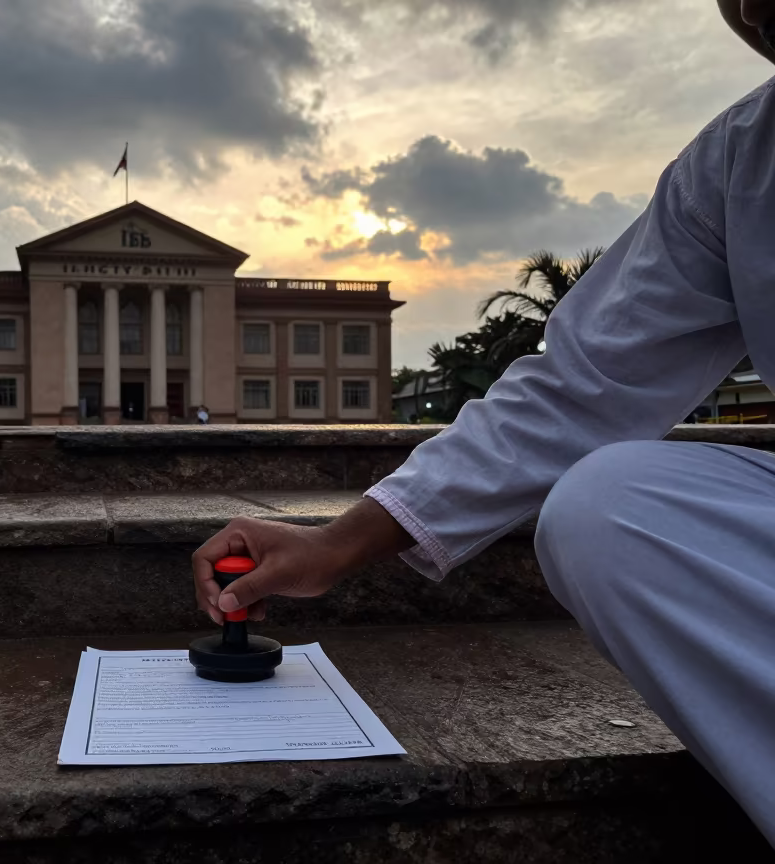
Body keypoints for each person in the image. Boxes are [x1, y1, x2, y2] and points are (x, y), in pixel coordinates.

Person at [193, 2, 775, 845]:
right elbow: (582, 384)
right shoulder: (741, 160)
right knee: (607, 506)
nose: (753, 9)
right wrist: (336, 543)